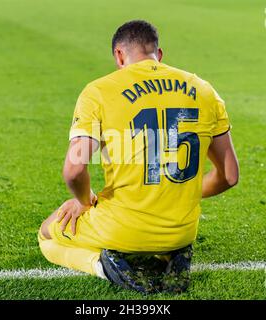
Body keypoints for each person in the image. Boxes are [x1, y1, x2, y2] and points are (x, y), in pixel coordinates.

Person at [38, 20, 239, 293]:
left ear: (119, 55)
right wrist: (174, 193)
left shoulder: (97, 91)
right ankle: (172, 256)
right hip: (181, 231)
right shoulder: (204, 90)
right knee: (166, 237)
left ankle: (103, 265)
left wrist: (84, 202)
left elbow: (73, 171)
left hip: (121, 229)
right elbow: (229, 176)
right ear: (159, 54)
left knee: (48, 234)